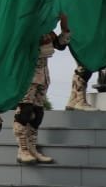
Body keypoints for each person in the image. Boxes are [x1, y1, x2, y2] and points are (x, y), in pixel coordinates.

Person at [14, 14, 69, 164]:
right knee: (25, 111)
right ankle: (22, 149)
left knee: (37, 113)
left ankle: (32, 148)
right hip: (27, 75)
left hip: (43, 76)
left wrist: (65, 27)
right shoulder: (25, 27)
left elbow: (61, 45)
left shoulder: (47, 31)